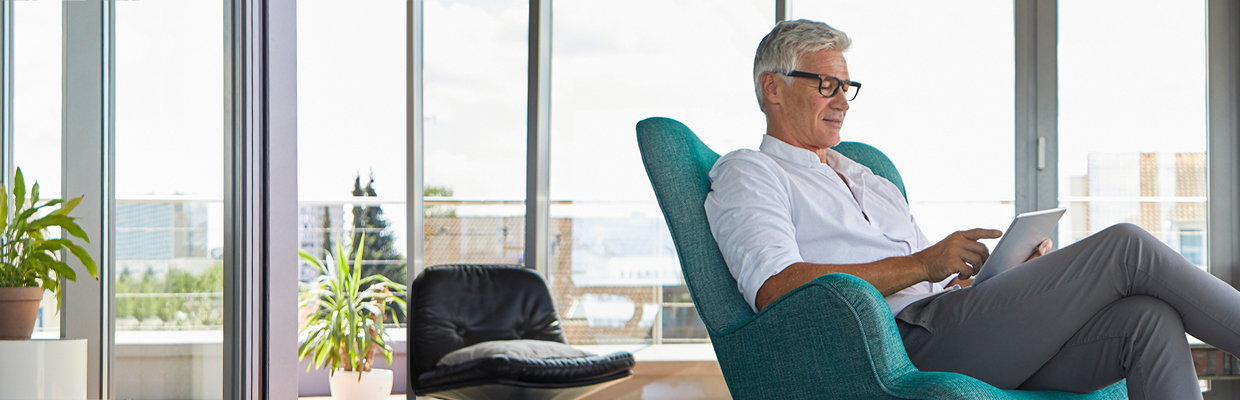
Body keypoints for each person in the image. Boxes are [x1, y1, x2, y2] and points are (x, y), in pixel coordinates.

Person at [704, 19, 1240, 400]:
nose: (841, 100)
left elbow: (932, 286)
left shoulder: (864, 176)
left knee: (1147, 319)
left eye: (847, 86)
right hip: (898, 348)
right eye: (825, 84)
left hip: (954, 324)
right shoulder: (749, 172)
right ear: (772, 88)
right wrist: (925, 265)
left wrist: (999, 280)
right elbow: (777, 287)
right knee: (1125, 246)